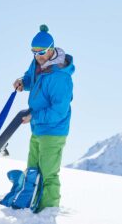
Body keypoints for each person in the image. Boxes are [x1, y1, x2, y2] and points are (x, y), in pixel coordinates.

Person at [13, 24, 75, 213]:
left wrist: (34, 115)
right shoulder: (38, 63)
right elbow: (31, 78)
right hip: (37, 126)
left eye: (42, 52)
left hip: (53, 130)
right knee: (32, 168)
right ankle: (29, 204)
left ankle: (48, 212)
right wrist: (23, 82)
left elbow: (59, 111)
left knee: (48, 173)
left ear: (52, 49)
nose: (38, 56)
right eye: (34, 52)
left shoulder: (60, 78)